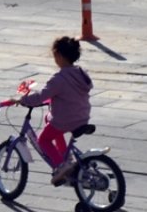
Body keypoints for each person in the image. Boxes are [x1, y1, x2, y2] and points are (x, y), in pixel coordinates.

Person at [18, 36, 93, 186]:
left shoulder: (59, 78)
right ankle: (67, 157)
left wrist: (23, 100)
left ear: (58, 55)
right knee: (48, 118)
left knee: (43, 140)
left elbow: (42, 96)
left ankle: (61, 165)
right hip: (82, 116)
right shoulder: (81, 72)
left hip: (66, 119)